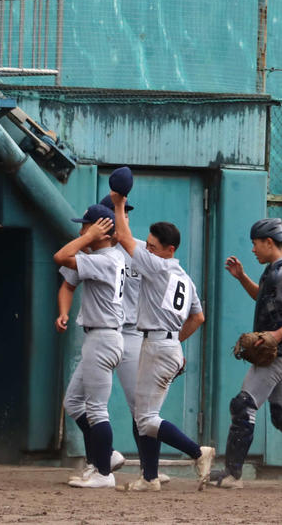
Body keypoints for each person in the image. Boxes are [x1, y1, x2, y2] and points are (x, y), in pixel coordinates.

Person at [209, 219, 282, 488]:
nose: (253, 249)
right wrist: (242, 277)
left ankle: (232, 475)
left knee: (242, 406)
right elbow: (262, 298)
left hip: (278, 353)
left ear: (269, 242)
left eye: (256, 244)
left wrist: (278, 334)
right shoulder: (273, 269)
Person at [104, 198, 214, 492]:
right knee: (145, 415)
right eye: (148, 245)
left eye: (153, 246)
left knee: (146, 419)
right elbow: (198, 317)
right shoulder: (184, 278)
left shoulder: (158, 266)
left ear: (170, 250)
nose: (148, 249)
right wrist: (174, 342)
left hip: (157, 347)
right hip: (166, 346)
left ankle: (197, 452)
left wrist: (119, 203)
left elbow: (124, 237)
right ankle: (149, 477)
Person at [55, 205, 125, 489]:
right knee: (74, 402)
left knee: (96, 409)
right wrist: (89, 238)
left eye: (87, 225)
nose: (82, 229)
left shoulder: (106, 259)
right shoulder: (104, 256)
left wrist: (90, 236)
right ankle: (106, 455)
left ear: (102, 231)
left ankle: (104, 473)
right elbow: (68, 279)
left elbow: (60, 256)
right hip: (99, 336)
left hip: (104, 337)